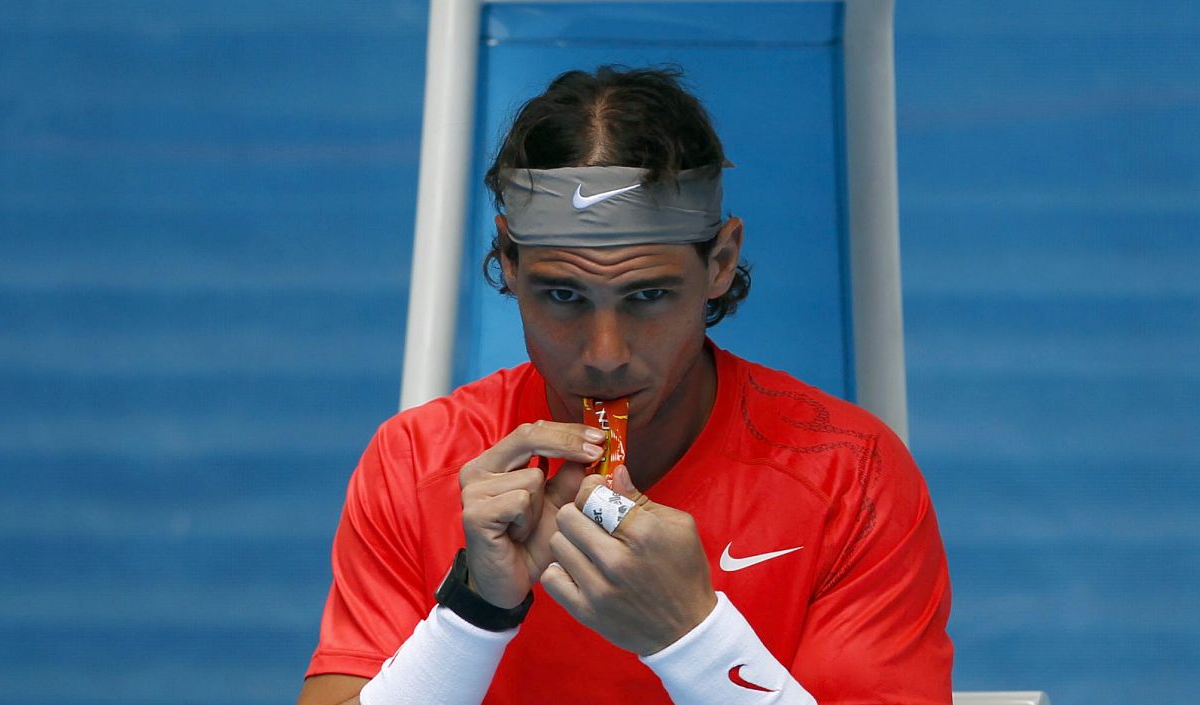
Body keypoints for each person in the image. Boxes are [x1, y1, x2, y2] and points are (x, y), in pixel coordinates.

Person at [297, 66, 952, 705]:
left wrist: (691, 636)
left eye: (647, 295)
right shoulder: (416, 460)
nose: (604, 354)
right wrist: (474, 609)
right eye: (562, 294)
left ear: (719, 263)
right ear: (508, 264)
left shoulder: (851, 477)